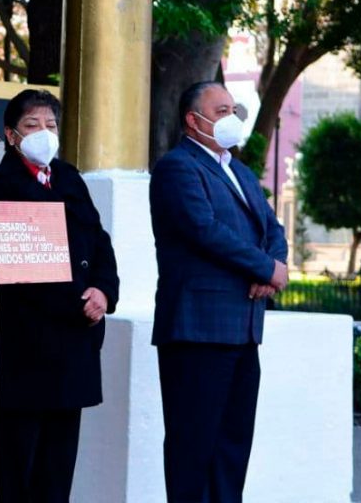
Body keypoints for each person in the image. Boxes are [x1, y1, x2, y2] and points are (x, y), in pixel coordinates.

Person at [0, 89, 120, 502]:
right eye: (32, 125)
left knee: (57, 473)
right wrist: (79, 303)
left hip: (73, 347)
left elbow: (99, 241)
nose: (44, 133)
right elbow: (15, 265)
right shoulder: (0, 183)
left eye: (51, 125)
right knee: (19, 469)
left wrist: (104, 293)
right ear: (11, 134)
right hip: (27, 349)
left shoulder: (70, 177)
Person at [150, 81, 289, 502]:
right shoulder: (178, 167)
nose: (230, 119)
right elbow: (204, 230)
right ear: (193, 120)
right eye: (221, 110)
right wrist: (265, 266)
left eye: (233, 110)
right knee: (194, 446)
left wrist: (273, 268)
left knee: (232, 446)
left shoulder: (239, 170)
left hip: (243, 329)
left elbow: (272, 228)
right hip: (198, 328)